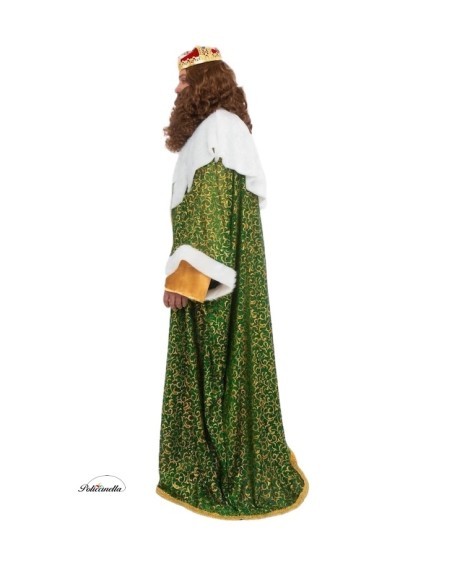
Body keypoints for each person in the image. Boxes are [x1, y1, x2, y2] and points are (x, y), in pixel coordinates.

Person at [156, 46, 308, 519]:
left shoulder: (219, 130)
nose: (177, 88)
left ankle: (222, 473)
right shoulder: (217, 129)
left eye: (185, 80)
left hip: (212, 284)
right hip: (214, 276)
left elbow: (213, 213)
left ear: (203, 84)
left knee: (218, 368)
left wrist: (185, 278)